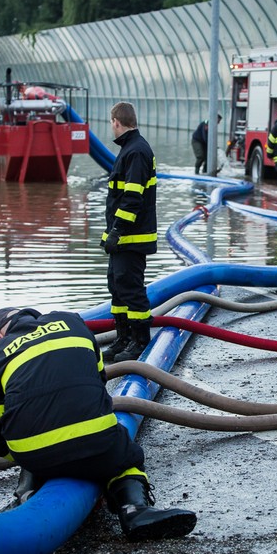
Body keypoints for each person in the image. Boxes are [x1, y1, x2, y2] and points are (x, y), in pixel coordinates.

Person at [0, 307, 197, 541]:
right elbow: (99, 381)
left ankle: (29, 493)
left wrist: (30, 453)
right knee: (126, 455)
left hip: (34, 456)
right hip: (97, 444)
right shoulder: (71, 322)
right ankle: (134, 510)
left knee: (28, 442)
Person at [101, 102, 158, 363]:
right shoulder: (129, 150)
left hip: (132, 238)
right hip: (123, 237)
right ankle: (123, 337)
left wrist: (117, 231)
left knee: (131, 288)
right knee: (117, 285)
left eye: (111, 124)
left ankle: (140, 341)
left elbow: (132, 197)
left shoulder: (136, 152)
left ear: (116, 122)